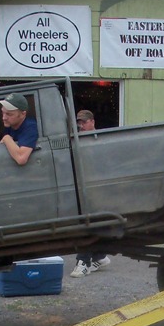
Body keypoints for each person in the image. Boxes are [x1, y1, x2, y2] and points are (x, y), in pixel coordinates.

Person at [70, 110, 111, 278]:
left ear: (92, 122)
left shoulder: (100, 140)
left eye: (84, 122)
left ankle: (83, 262)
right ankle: (99, 257)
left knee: (86, 224)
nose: (81, 125)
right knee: (92, 223)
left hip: (98, 188)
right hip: (87, 188)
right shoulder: (78, 140)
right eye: (79, 122)